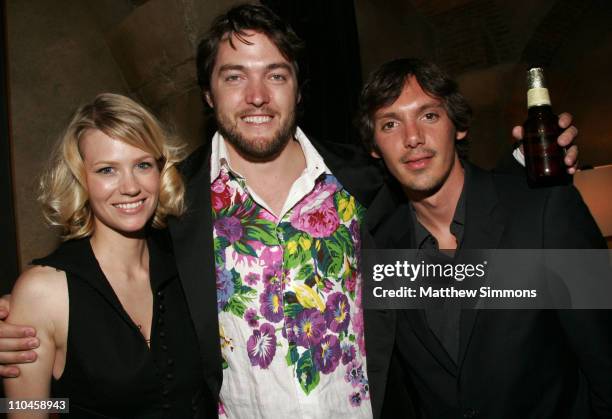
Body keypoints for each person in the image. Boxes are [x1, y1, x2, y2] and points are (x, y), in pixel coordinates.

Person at [0, 5, 581, 419]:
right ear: (208, 94)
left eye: (275, 75)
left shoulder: (366, 183)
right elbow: (106, 303)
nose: (257, 96)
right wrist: (31, 309)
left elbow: (447, 249)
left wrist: (531, 174)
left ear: (298, 88)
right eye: (235, 77)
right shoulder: (172, 208)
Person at [357, 58, 612, 418]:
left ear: (457, 126)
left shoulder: (546, 211)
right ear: (374, 147)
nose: (412, 138)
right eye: (390, 124)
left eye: (429, 116)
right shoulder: (382, 249)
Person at [3, 93, 217, 417]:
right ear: (81, 179)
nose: (130, 186)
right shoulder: (44, 292)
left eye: (142, 165)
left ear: (161, 171)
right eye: (107, 170)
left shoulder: (187, 270)